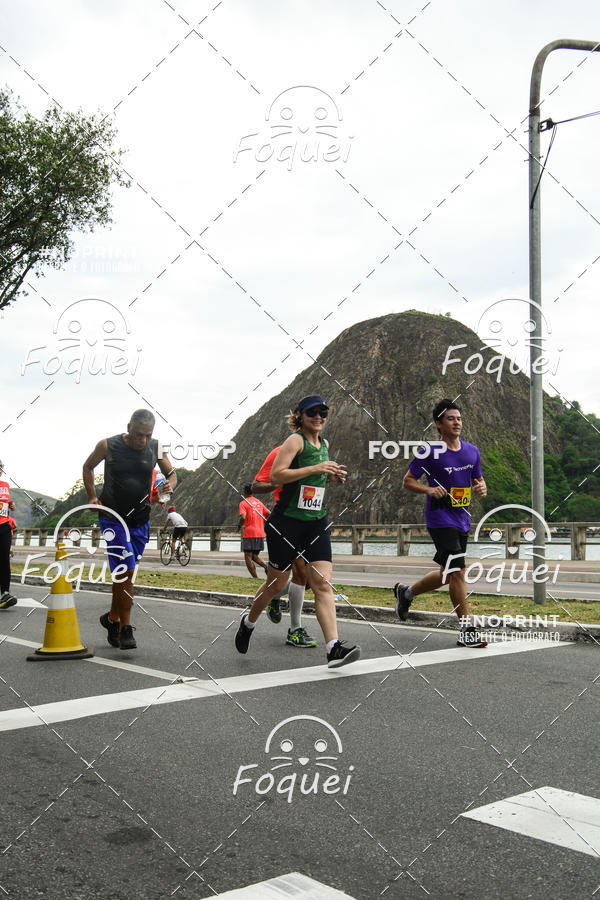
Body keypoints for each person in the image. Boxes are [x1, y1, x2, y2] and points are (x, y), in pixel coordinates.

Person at [235, 394, 361, 668]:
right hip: (287, 523)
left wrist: (330, 474)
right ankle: (248, 622)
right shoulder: (295, 441)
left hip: (315, 521)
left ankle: (333, 648)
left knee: (322, 583)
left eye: (323, 412)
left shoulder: (324, 444)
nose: (319, 417)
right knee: (276, 584)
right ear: (300, 417)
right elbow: (277, 476)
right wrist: (316, 467)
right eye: (312, 412)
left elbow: (313, 479)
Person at [393, 399, 488, 648]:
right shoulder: (429, 451)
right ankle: (467, 629)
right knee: (457, 571)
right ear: (438, 424)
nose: (456, 422)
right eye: (450, 419)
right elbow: (408, 481)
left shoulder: (472, 451)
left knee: (449, 574)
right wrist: (428, 489)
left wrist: (481, 487)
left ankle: (407, 593)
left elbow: (478, 479)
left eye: (458, 418)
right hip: (439, 518)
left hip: (461, 518)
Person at [83, 409, 176, 650]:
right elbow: (88, 467)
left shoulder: (155, 448)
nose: (142, 441)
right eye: (138, 435)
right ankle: (125, 627)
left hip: (141, 520)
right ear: (128, 428)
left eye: (147, 435)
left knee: (124, 575)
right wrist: (92, 497)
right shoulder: (108, 445)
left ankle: (111, 619)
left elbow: (172, 474)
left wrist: (169, 485)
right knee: (127, 570)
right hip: (113, 518)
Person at [252, 446, 316, 648]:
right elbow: (257, 485)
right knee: (300, 574)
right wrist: (279, 480)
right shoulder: (280, 452)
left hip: (311, 519)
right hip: (287, 520)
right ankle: (295, 630)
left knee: (309, 581)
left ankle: (274, 596)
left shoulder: (320, 451)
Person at [237, 484, 269, 577]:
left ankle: (255, 578)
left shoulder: (243, 503)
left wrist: (239, 526)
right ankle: (266, 566)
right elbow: (268, 513)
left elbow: (243, 517)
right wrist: (264, 522)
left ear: (245, 492)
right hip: (260, 533)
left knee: (248, 556)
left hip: (250, 533)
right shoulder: (259, 502)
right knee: (254, 556)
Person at [0, 460, 17, 608]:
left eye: (1, 467)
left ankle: (5, 593)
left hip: (4, 526)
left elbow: (4, 505)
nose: (0, 470)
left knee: (4, 559)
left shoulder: (5, 486)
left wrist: (11, 506)